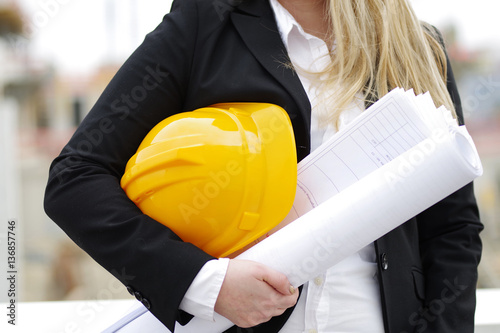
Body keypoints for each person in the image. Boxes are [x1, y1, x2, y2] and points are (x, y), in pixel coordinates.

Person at [44, 0, 483, 332]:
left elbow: (452, 226)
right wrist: (208, 284)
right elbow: (76, 179)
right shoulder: (205, 23)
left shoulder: (415, 45)